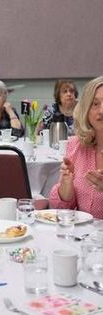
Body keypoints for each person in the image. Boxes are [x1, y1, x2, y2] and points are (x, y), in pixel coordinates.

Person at [49, 76, 103, 219]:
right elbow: (62, 208)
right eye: (95, 104)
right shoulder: (76, 146)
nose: (102, 111)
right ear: (86, 110)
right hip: (82, 237)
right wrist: (67, 183)